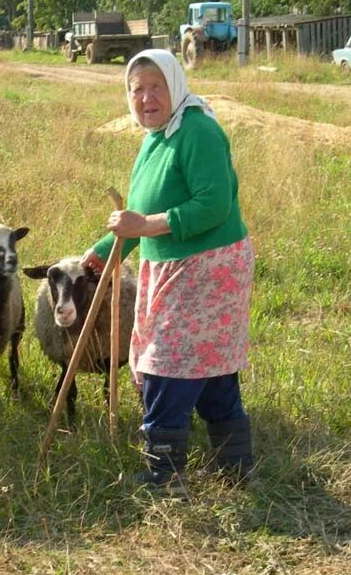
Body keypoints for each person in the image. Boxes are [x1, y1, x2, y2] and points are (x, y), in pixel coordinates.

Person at [81, 49, 254, 495]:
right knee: (209, 366)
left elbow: (212, 206)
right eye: (136, 89)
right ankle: (235, 467)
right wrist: (108, 250)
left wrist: (145, 226)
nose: (146, 98)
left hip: (207, 267)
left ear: (175, 85)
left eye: (155, 86)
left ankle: (165, 475)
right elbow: (144, 211)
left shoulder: (198, 131)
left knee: (168, 365)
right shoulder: (156, 137)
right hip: (172, 266)